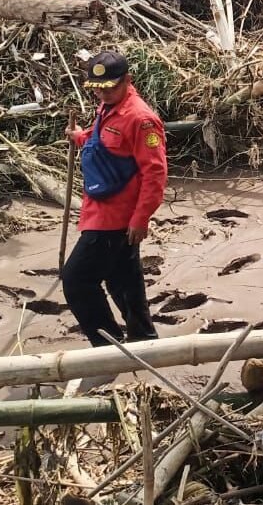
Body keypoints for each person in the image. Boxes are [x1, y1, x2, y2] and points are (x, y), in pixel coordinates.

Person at [62, 51, 167, 347]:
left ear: (127, 81)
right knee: (123, 281)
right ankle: (143, 337)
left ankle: (106, 343)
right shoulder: (108, 107)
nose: (102, 93)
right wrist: (80, 137)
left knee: (77, 280)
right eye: (97, 88)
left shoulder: (141, 119)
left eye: (109, 87)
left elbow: (155, 174)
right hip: (100, 207)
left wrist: (140, 218)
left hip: (115, 219)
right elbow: (105, 144)